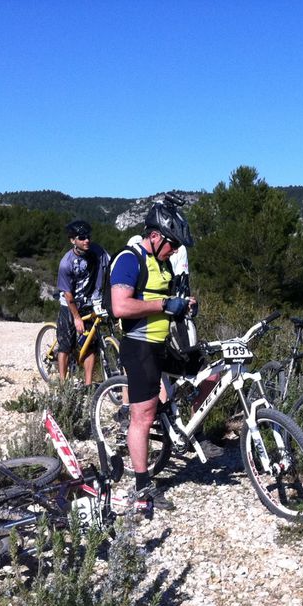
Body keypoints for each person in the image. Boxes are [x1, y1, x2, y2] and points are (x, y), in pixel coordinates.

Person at [109, 201, 197, 509]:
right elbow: (121, 306)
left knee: (201, 370)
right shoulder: (129, 259)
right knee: (142, 418)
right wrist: (163, 306)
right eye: (172, 243)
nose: (174, 250)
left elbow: (164, 300)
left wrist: (184, 304)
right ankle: (143, 486)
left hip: (161, 344)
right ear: (156, 236)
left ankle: (180, 428)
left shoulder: (162, 264)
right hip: (140, 347)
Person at [56, 220, 109, 385]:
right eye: (82, 237)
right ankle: (63, 384)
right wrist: (77, 318)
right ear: (73, 240)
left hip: (89, 303)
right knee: (66, 345)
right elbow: (68, 295)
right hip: (70, 304)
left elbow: (110, 265)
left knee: (90, 344)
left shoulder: (97, 251)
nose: (86, 240)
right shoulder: (66, 263)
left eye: (88, 237)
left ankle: (88, 385)